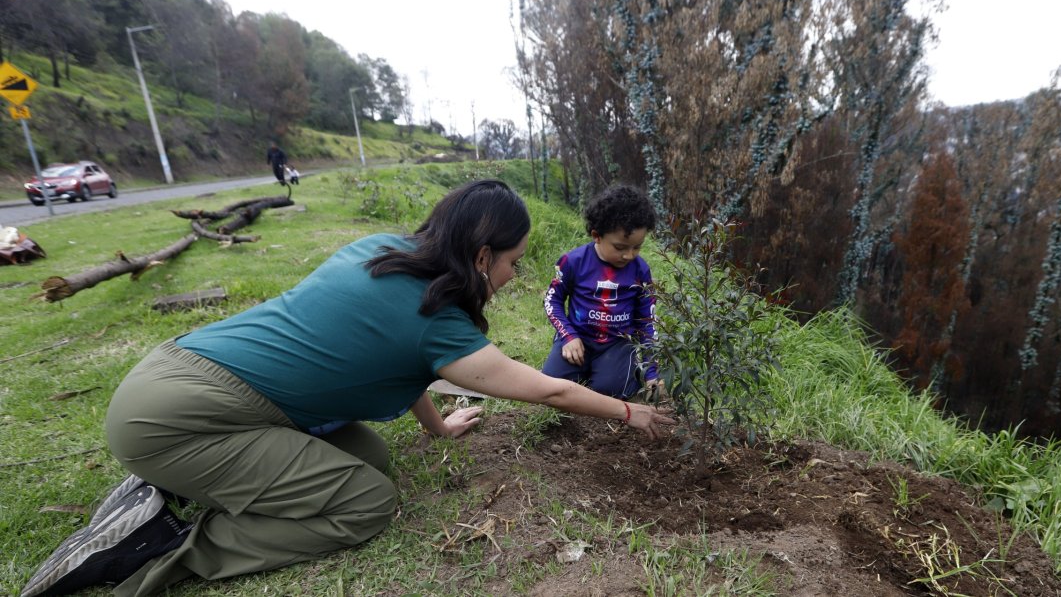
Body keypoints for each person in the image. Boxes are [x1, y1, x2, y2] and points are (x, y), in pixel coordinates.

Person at [21, 179, 674, 597]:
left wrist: (438, 427)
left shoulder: (383, 249)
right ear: (482, 256)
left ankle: (170, 485)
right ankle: (159, 545)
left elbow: (403, 360)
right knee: (365, 503)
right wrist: (628, 411)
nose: (514, 275)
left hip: (171, 376)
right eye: (512, 261)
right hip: (178, 419)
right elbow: (549, 390)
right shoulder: (440, 324)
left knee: (368, 455)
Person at [541, 184, 660, 400]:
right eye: (620, 247)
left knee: (612, 392)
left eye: (637, 247)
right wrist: (568, 336)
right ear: (597, 235)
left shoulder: (640, 271)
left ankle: (614, 372)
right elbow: (552, 301)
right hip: (578, 337)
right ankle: (583, 366)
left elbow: (648, 321)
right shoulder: (573, 261)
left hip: (617, 343)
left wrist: (652, 371)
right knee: (550, 385)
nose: (629, 255)